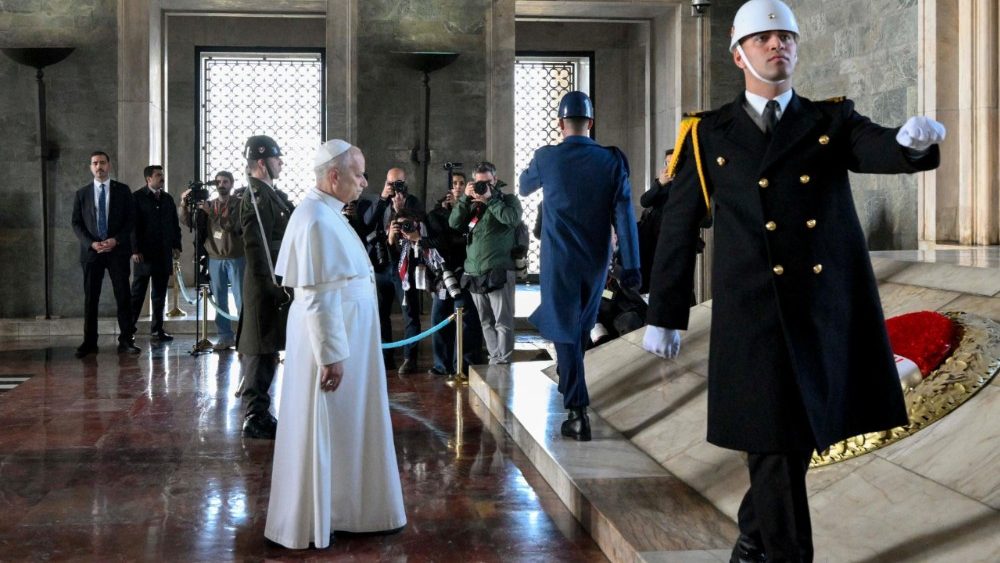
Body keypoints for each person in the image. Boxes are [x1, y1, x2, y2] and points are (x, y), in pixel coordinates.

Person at [641, 1, 946, 561]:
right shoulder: (708, 134)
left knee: (790, 440)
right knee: (776, 445)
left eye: (786, 37)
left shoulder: (830, 121)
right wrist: (665, 311)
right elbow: (678, 229)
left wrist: (909, 145)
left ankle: (755, 534)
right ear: (739, 54)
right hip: (753, 317)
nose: (778, 45)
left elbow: (874, 146)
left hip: (822, 311)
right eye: (764, 39)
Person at [266, 139, 406, 549]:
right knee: (329, 427)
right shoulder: (314, 219)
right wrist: (331, 356)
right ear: (334, 175)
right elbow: (316, 293)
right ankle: (325, 514)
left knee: (349, 428)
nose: (364, 182)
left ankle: (350, 509)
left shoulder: (326, 213)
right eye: (359, 173)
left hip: (347, 342)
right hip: (333, 348)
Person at [518, 91, 640, 441]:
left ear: (560, 124)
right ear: (592, 122)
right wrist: (631, 265)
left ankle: (577, 409)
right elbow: (625, 215)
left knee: (566, 331)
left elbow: (525, 187)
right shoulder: (612, 160)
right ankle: (574, 393)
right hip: (596, 260)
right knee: (580, 328)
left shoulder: (547, 157)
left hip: (560, 261)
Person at [237, 135, 295, 440]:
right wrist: (272, 286)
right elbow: (256, 248)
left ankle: (260, 411)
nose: (280, 162)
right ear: (262, 162)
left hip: (272, 283)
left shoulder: (269, 194)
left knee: (268, 347)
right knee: (259, 350)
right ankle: (254, 415)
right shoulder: (256, 197)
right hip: (265, 285)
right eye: (276, 158)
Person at [449, 162, 523, 366]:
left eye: (488, 183)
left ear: (495, 181)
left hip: (499, 270)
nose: (483, 187)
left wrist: (491, 201)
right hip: (474, 271)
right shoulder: (472, 204)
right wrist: (465, 197)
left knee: (503, 322)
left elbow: (512, 219)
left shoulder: (508, 200)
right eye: (479, 183)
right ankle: (494, 358)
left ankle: (504, 362)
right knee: (486, 321)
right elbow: (454, 223)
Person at [71, 151, 140, 357]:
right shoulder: (82, 194)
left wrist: (116, 240)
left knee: (123, 296)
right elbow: (76, 223)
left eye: (102, 162)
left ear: (109, 165)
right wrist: (91, 243)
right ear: (90, 167)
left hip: (117, 252)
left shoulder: (123, 190)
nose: (98, 166)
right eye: (94, 163)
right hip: (92, 253)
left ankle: (126, 340)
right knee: (91, 298)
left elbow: (131, 220)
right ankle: (89, 342)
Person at [361, 168, 423, 374]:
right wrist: (382, 198)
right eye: (392, 183)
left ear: (406, 183)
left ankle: (409, 358)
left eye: (400, 183)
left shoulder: (412, 202)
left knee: (410, 313)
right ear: (386, 183)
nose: (396, 188)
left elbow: (417, 225)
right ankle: (385, 358)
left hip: (403, 266)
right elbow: (367, 223)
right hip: (381, 265)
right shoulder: (379, 202)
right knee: (381, 314)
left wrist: (401, 210)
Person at [425, 171, 484, 378]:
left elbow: (467, 236)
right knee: (440, 317)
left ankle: (464, 364)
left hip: (465, 270)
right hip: (444, 273)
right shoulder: (436, 213)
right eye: (454, 184)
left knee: (466, 319)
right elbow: (440, 239)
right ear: (449, 188)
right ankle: (442, 364)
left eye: (461, 183)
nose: (458, 187)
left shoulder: (473, 209)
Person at [179, 171, 245, 350]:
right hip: (215, 259)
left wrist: (213, 215)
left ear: (231, 184)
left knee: (240, 300)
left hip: (236, 258)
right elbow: (189, 223)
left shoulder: (239, 205)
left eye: (225, 181)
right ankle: (225, 337)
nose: (221, 184)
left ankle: (243, 338)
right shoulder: (209, 205)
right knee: (220, 301)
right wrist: (184, 204)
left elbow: (232, 226)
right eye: (218, 182)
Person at [130, 165, 182, 341]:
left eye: (162, 175)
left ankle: (157, 329)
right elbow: (132, 226)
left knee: (159, 295)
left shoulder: (167, 199)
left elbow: (174, 225)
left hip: (163, 254)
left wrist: (176, 245)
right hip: (144, 255)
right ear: (148, 179)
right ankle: (128, 330)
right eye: (158, 175)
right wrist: (135, 249)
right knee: (138, 294)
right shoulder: (137, 198)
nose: (162, 178)